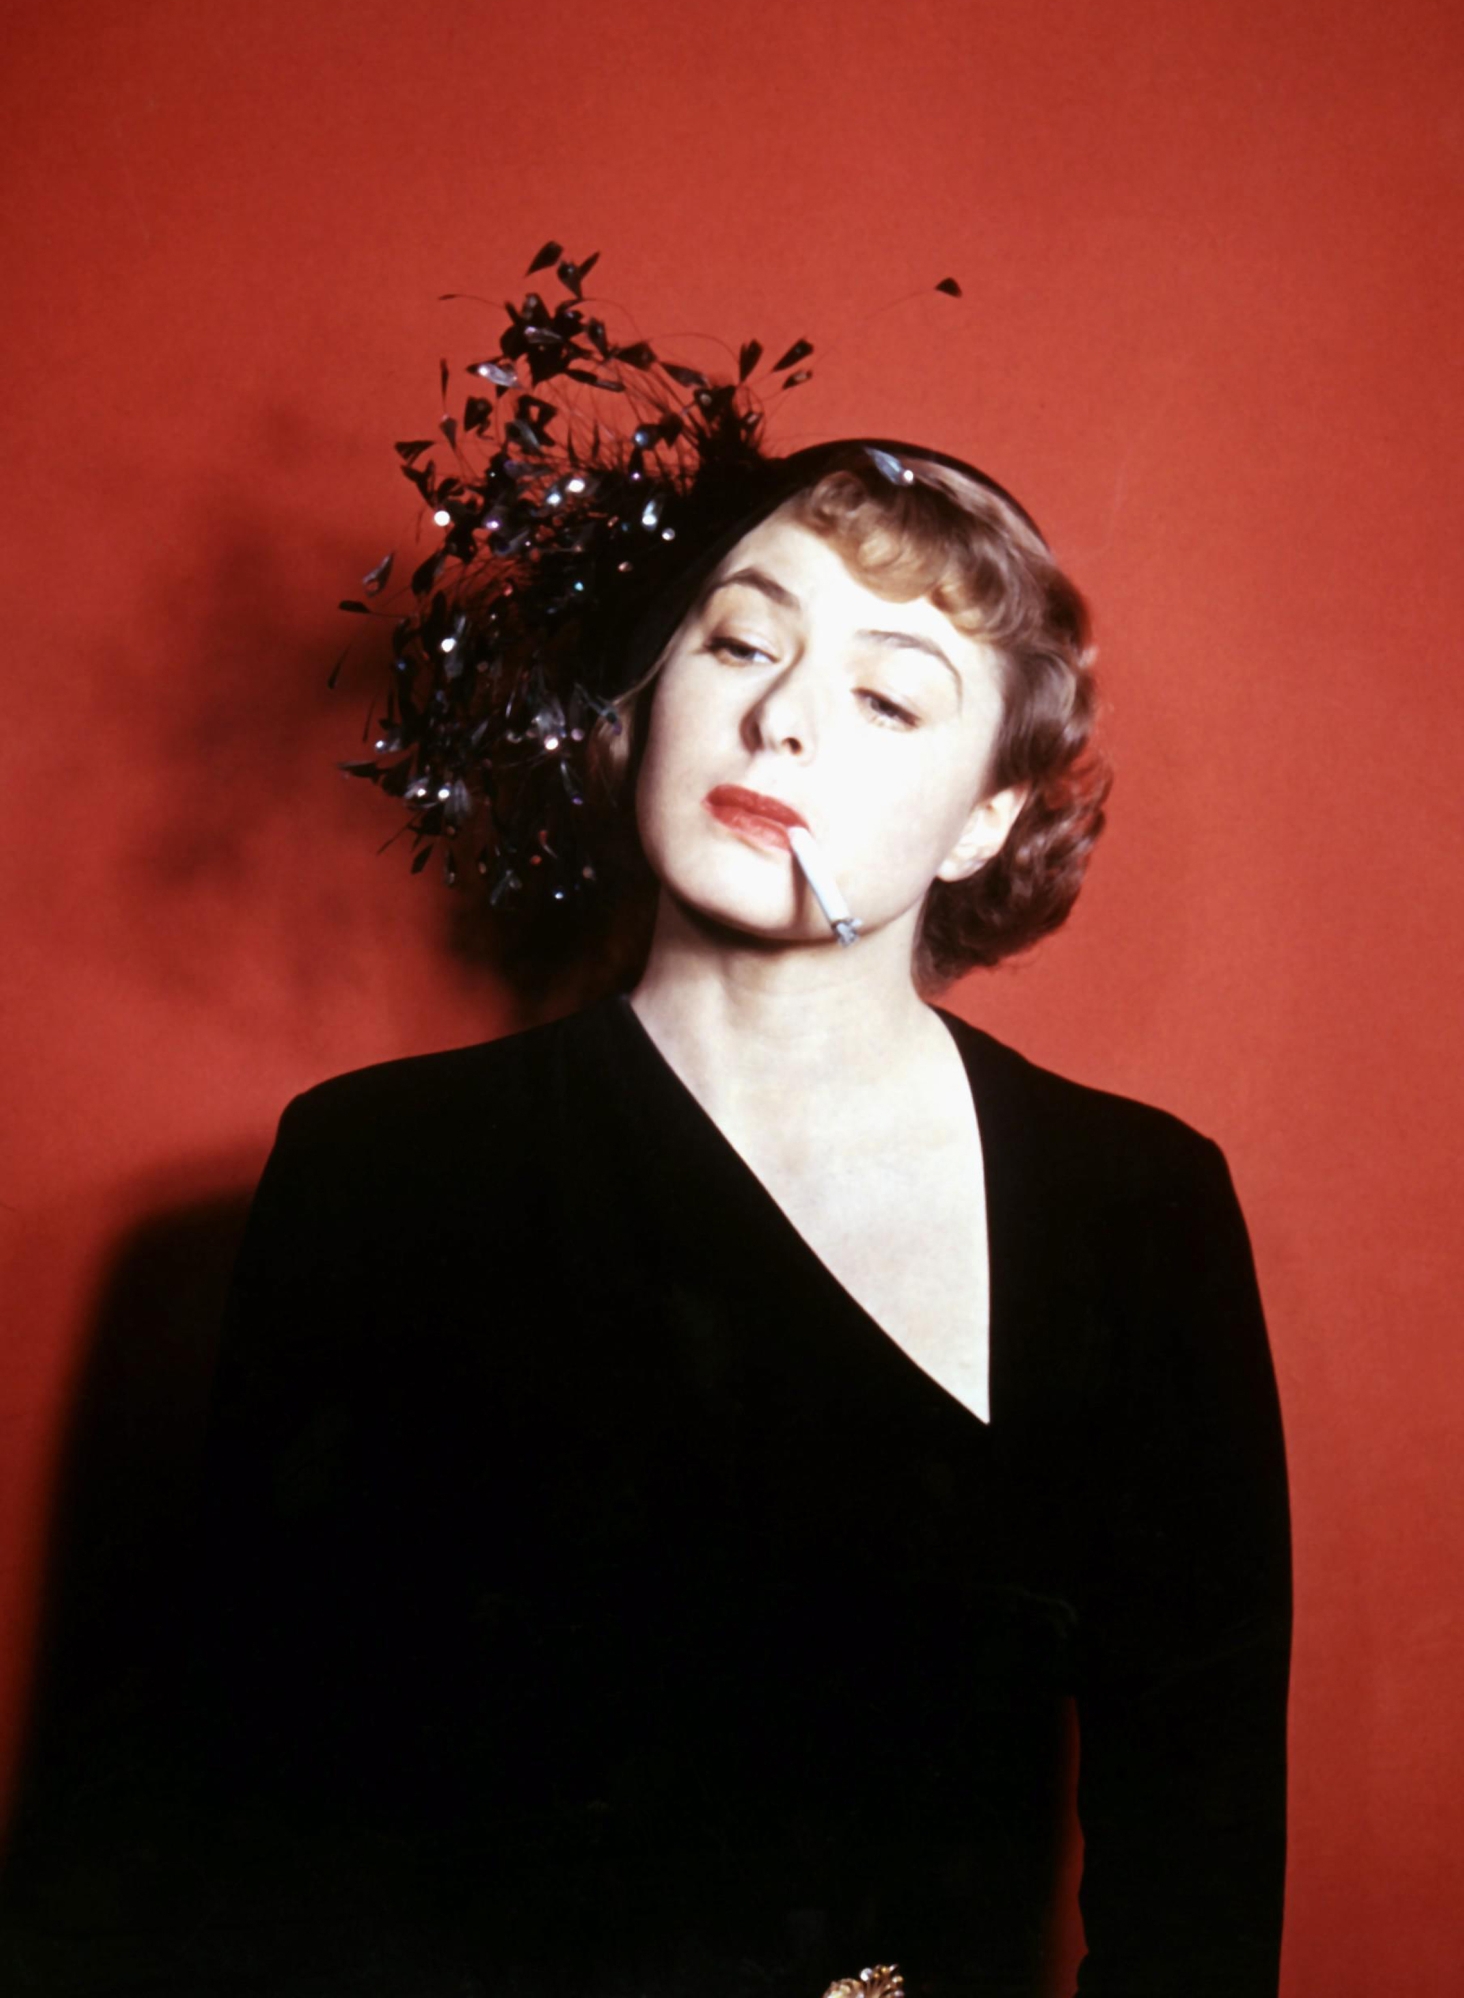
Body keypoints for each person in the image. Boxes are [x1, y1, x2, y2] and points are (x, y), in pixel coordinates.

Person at [176, 439, 1291, 1998]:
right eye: (744, 643)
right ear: (648, 702)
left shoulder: (1135, 1208)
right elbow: (240, 1833)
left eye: (888, 698)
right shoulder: (377, 1172)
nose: (782, 719)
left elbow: (1201, 1880)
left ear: (984, 820)